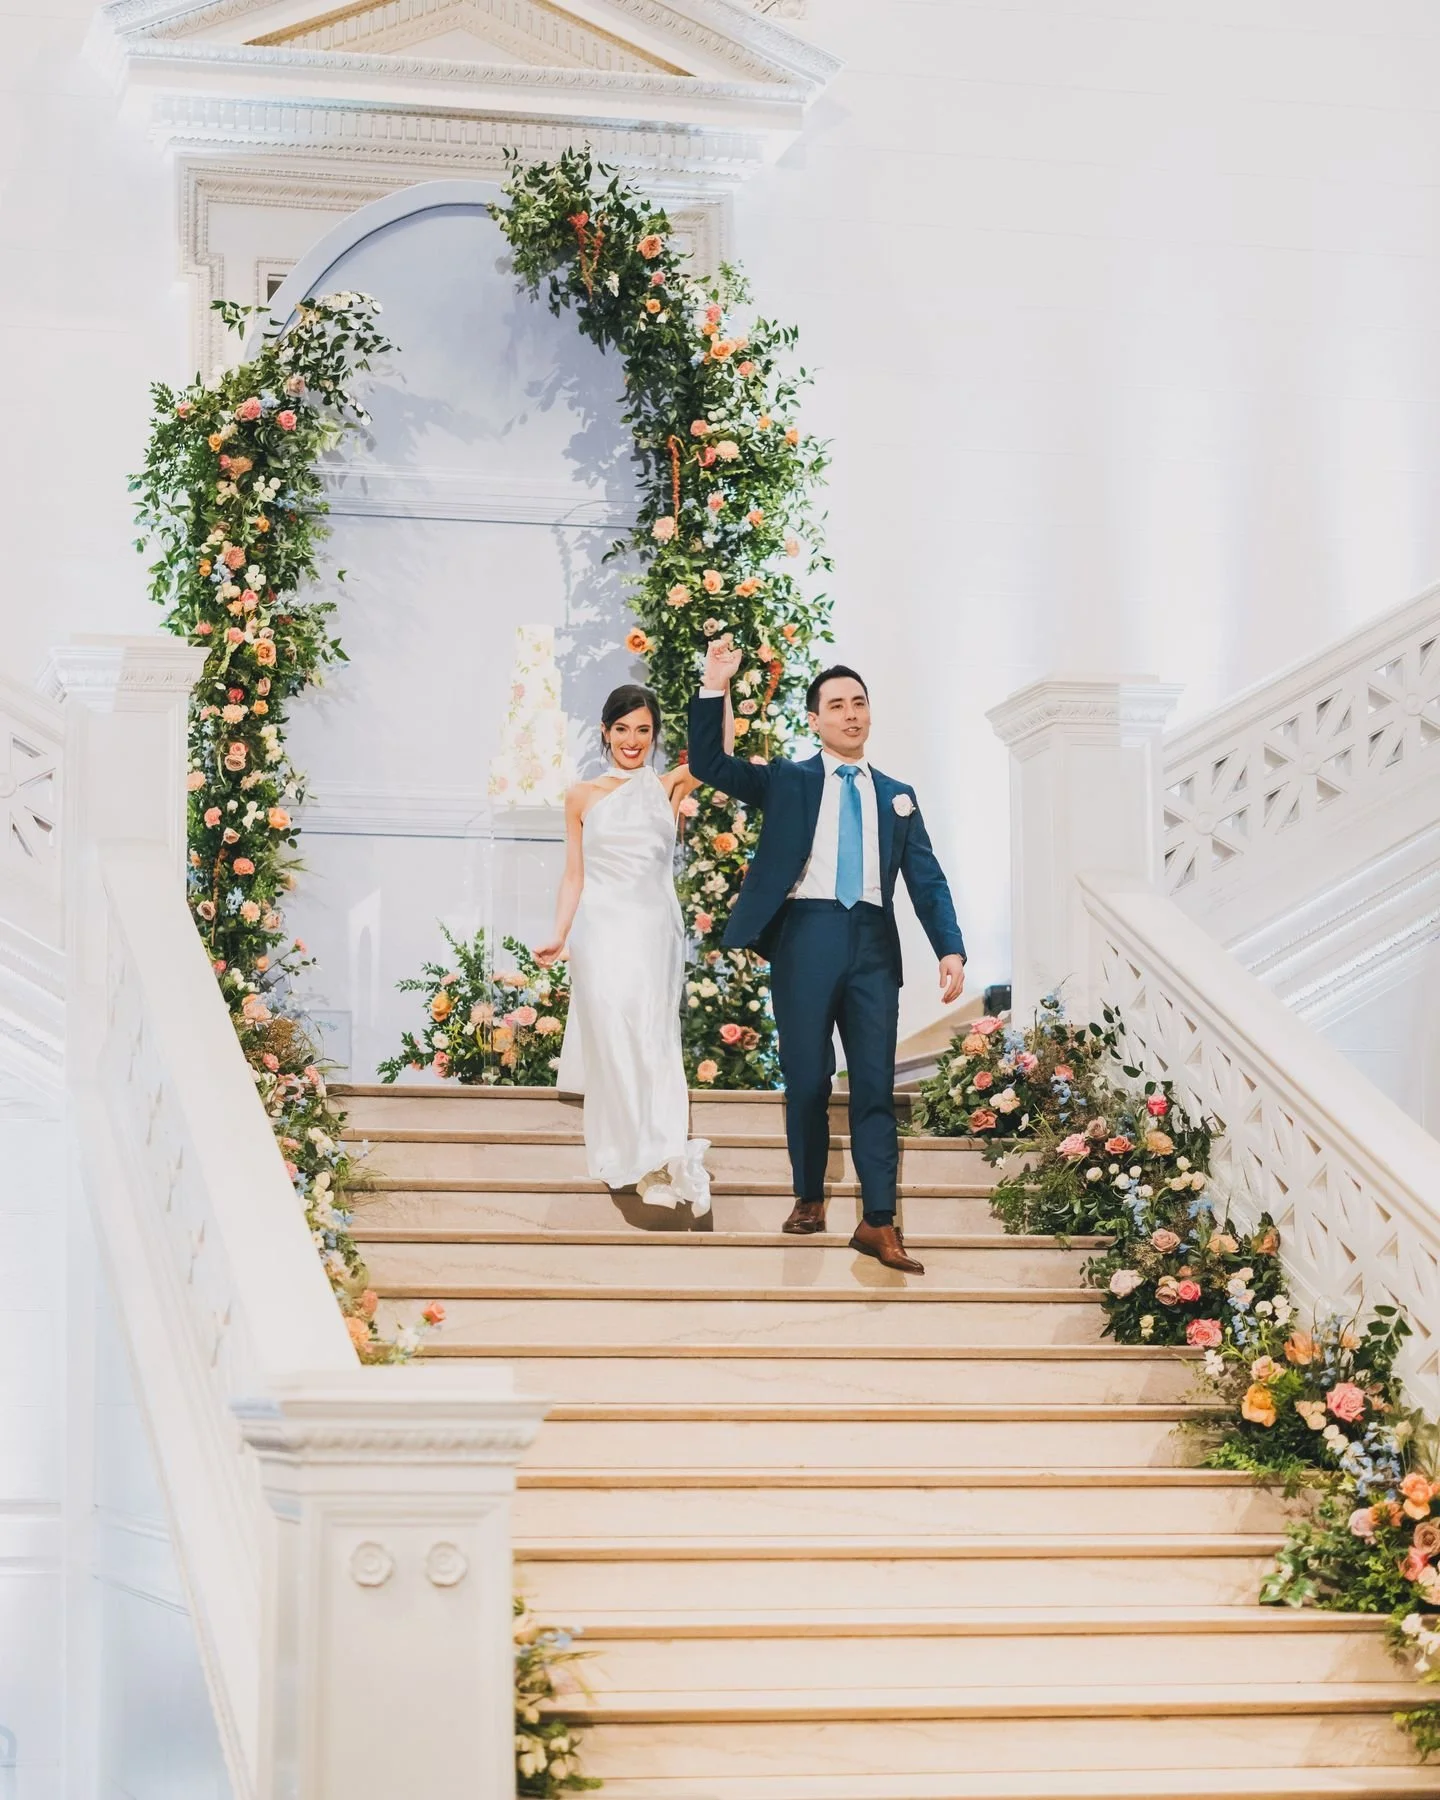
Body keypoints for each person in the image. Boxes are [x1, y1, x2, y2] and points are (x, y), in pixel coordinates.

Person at [688, 642, 966, 1274]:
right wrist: (715, 683)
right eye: (836, 705)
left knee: (873, 1085)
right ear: (814, 719)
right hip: (805, 936)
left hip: (873, 942)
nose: (850, 714)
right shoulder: (789, 779)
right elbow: (709, 763)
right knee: (808, 1076)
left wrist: (949, 946)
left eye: (859, 703)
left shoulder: (898, 794)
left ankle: (878, 1220)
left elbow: (926, 878)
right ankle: (809, 1195)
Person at [536, 683, 715, 1214]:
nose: (632, 740)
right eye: (622, 729)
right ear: (605, 732)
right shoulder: (581, 796)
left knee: (653, 1037)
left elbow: (716, 753)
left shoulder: (668, 789)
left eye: (643, 730)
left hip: (655, 929)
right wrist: (559, 932)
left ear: (655, 735)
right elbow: (574, 875)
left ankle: (661, 1155)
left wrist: (716, 683)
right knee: (614, 1033)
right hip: (600, 930)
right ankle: (634, 1158)